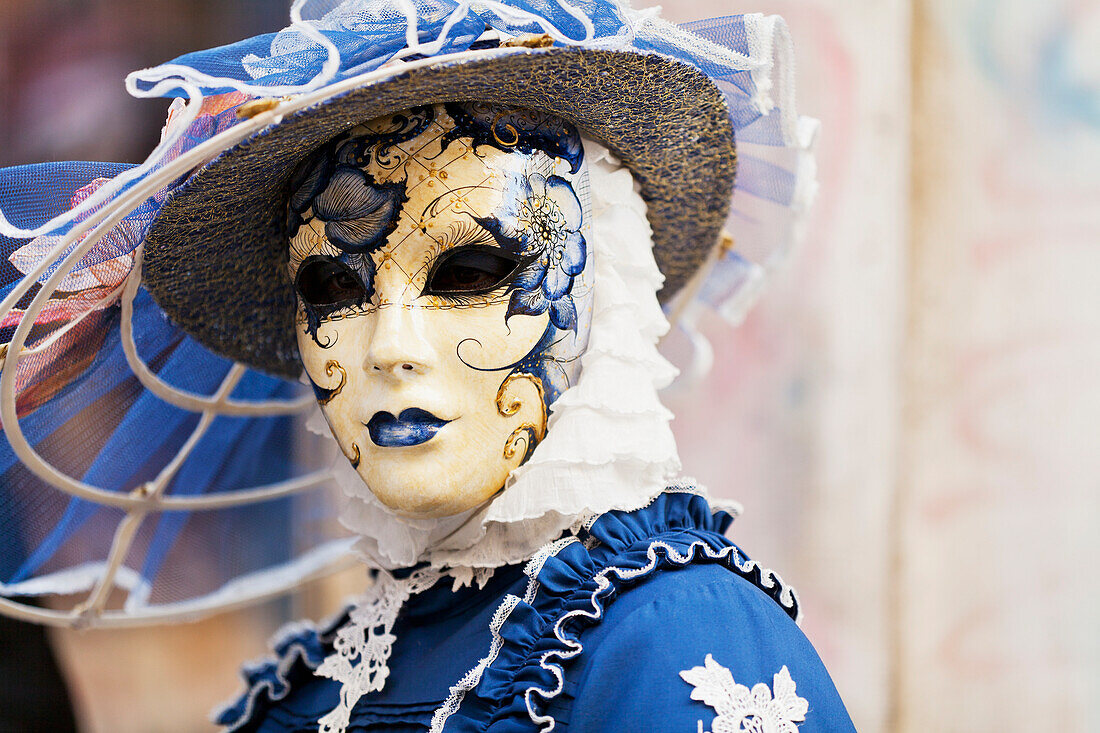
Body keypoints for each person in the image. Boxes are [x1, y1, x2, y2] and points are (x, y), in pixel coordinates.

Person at [0, 1, 851, 730]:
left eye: (471, 272)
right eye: (334, 287)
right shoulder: (336, 668)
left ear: (603, 289)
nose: (390, 346)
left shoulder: (675, 637)